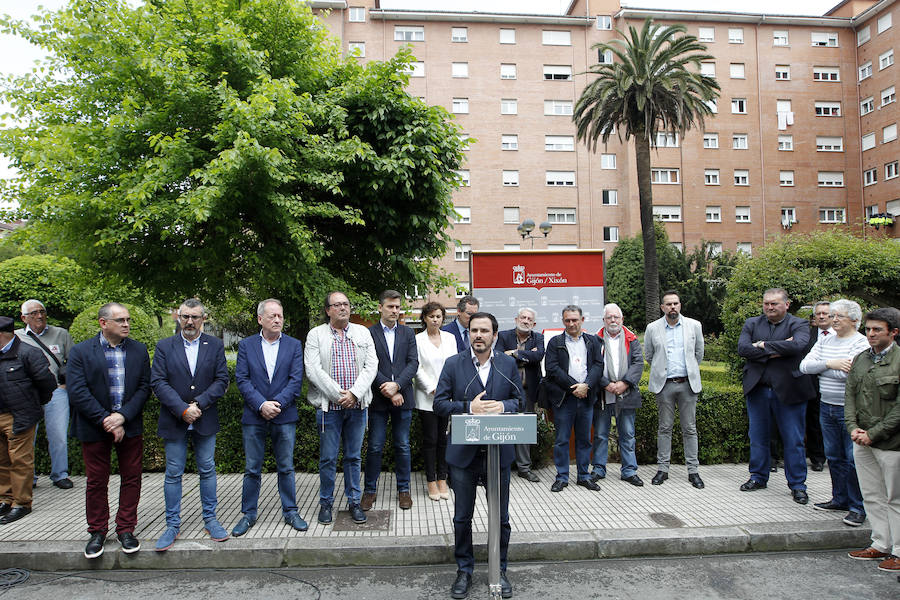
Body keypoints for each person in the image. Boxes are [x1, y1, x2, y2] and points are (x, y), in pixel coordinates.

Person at [433, 312, 522, 599]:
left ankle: (501, 569)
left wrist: (504, 408)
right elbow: (439, 404)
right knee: (462, 517)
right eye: (474, 330)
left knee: (502, 518)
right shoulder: (453, 364)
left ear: (495, 335)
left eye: (485, 330)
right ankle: (465, 570)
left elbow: (520, 400)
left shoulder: (508, 363)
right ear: (468, 333)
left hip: (499, 454)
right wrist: (468, 407)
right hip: (463, 454)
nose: (479, 335)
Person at [67, 303, 151, 558]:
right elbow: (77, 391)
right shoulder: (81, 352)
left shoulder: (138, 350)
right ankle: (97, 532)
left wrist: (122, 417)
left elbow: (144, 388)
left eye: (128, 319)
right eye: (120, 320)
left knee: (132, 478)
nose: (127, 324)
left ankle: (126, 529)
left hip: (129, 425)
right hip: (94, 427)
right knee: (96, 481)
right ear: (104, 323)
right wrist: (107, 420)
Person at [151, 298, 230, 551]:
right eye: (185, 316)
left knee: (207, 469)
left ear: (203, 319)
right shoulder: (164, 346)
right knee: (173, 472)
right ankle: (172, 524)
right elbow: (158, 382)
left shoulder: (215, 345)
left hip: (205, 417)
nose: (190, 321)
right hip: (175, 419)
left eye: (195, 317)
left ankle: (211, 519)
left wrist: (199, 405)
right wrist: (182, 409)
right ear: (178, 317)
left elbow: (221, 380)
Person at [232, 299, 307, 537]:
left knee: (286, 467)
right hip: (254, 417)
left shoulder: (294, 345)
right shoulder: (246, 345)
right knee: (252, 468)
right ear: (260, 319)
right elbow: (242, 380)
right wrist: (261, 404)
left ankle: (291, 511)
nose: (277, 320)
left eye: (280, 316)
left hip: (284, 416)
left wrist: (277, 404)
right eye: (272, 316)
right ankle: (248, 514)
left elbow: (296, 381)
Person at [305, 291, 378, 526]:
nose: (343, 308)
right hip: (329, 408)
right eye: (337, 305)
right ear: (328, 310)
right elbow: (313, 369)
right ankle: (326, 503)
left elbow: (371, 365)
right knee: (327, 459)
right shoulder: (316, 335)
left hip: (357, 406)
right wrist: (338, 395)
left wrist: (355, 393)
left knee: (353, 457)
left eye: (345, 304)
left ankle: (354, 502)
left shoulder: (362, 332)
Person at [737, 288, 816, 504]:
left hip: (790, 391)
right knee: (758, 437)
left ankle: (798, 485)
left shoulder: (798, 324)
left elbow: (799, 346)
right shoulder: (752, 323)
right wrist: (779, 348)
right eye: (766, 303)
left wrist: (761, 345)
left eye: (775, 303)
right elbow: (743, 349)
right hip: (758, 389)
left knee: (794, 440)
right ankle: (758, 477)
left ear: (786, 304)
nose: (770, 307)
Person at [799, 299, 869, 527]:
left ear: (855, 320)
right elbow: (805, 367)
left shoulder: (861, 343)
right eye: (833, 315)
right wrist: (831, 364)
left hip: (850, 411)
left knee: (853, 460)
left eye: (839, 316)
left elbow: (848, 375)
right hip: (826, 406)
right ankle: (839, 499)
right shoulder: (826, 340)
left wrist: (823, 366)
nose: (833, 320)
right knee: (834, 457)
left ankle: (858, 507)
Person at [845, 307, 900, 573]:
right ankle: (880, 543)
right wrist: (853, 428)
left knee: (895, 498)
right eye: (868, 329)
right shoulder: (861, 359)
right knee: (872, 495)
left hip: (891, 443)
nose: (871, 334)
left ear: (894, 332)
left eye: (877, 329)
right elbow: (850, 396)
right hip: (861, 440)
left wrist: (873, 434)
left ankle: (899, 552)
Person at [644, 290, 706, 489]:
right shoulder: (652, 328)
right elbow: (649, 355)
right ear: (662, 307)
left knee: (690, 429)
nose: (672, 307)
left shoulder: (694, 326)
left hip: (688, 384)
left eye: (675, 303)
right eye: (668, 304)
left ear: (680, 305)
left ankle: (693, 471)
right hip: (665, 385)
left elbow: (699, 354)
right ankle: (663, 469)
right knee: (664, 428)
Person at [363, 290, 419, 511]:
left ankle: (403, 490)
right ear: (380, 307)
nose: (395, 311)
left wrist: (397, 386)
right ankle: (369, 491)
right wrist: (387, 387)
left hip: (403, 397)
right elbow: (368, 365)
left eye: (397, 307)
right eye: (390, 306)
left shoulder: (408, 333)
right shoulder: (368, 333)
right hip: (378, 399)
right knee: (375, 446)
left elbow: (413, 363)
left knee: (403, 446)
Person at [0, 316, 56, 524]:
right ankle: (5, 499)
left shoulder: (28, 353)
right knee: (2, 461)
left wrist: (33, 404)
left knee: (20, 461)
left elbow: (46, 383)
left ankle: (21, 503)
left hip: (20, 416)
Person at [544, 305, 604, 492]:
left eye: (574, 320)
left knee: (585, 439)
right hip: (565, 399)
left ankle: (584, 476)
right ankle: (562, 477)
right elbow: (552, 369)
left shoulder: (593, 341)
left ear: (582, 320)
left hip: (586, 398)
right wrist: (574, 387)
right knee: (562, 439)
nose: (571, 323)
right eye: (568, 320)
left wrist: (586, 385)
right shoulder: (555, 342)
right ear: (563, 321)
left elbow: (598, 366)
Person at [15, 299, 75, 489]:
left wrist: (66, 384)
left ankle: (60, 474)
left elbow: (73, 361)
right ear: (23, 318)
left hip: (56, 391)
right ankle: (28, 478)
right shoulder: (15, 338)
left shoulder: (60, 333)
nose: (39, 316)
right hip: (27, 394)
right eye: (33, 313)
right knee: (26, 438)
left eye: (42, 311)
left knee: (58, 434)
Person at [592, 303, 644, 486]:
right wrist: (606, 384)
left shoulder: (632, 339)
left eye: (616, 317)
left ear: (622, 319)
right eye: (609, 317)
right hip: (603, 395)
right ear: (604, 320)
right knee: (600, 434)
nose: (613, 320)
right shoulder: (595, 340)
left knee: (628, 434)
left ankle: (629, 471)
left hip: (626, 393)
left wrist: (624, 383)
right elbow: (592, 366)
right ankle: (598, 469)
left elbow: (638, 364)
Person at [496, 307, 545, 483]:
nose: (525, 321)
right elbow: (500, 357)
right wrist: (526, 356)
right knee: (503, 427)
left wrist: (515, 353)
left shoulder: (538, 337)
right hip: (506, 390)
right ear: (516, 319)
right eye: (523, 317)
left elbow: (538, 356)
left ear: (534, 323)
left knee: (525, 429)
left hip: (528, 391)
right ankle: (502, 465)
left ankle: (524, 468)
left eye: (529, 319)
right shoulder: (504, 336)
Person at [414, 301, 457, 501]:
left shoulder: (450, 338)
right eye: (431, 316)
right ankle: (431, 480)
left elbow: (455, 364)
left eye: (439, 316)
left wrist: (448, 390)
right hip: (427, 397)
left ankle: (443, 478)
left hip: (447, 397)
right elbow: (416, 367)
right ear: (424, 318)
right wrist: (432, 388)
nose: (435, 319)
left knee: (444, 439)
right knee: (430, 440)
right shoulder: (417, 340)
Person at [804, 301, 833, 471]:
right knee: (814, 422)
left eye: (825, 313)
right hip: (812, 385)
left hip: (836, 388)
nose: (821, 316)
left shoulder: (841, 336)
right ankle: (817, 458)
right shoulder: (807, 335)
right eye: (818, 313)